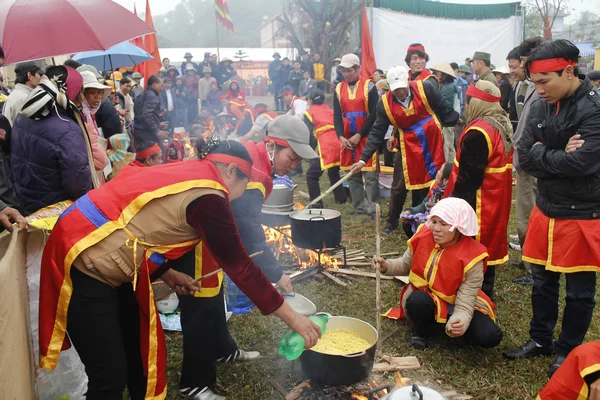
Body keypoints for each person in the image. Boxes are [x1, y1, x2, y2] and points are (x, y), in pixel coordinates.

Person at [38, 137, 322, 400]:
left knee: (138, 356)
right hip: (86, 259)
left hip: (110, 255)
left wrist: (167, 273)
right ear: (232, 171)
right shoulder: (210, 195)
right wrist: (293, 319)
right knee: (109, 375)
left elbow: (143, 224)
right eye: (242, 187)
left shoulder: (193, 169)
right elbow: (239, 265)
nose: (235, 198)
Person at [173, 117, 318, 400]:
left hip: (211, 237)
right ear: (272, 145)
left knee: (214, 295)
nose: (294, 165)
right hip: (196, 236)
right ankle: (194, 381)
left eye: (298, 160)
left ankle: (223, 349)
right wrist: (276, 274)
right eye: (292, 156)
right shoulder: (253, 171)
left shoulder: (254, 153)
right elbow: (248, 231)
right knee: (200, 307)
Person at [503, 39, 600, 378]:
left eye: (544, 81)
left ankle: (567, 349)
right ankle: (540, 339)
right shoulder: (544, 102)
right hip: (545, 207)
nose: (538, 90)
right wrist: (559, 152)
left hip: (582, 213)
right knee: (542, 281)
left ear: (569, 70)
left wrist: (546, 152)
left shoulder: (594, 108)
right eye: (534, 82)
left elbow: (585, 163)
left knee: (579, 290)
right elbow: (525, 154)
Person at [374, 197, 503, 351]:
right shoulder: (422, 236)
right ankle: (421, 331)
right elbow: (404, 264)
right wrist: (386, 266)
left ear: (458, 227)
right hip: (427, 298)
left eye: (444, 224)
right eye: (434, 222)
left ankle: (454, 329)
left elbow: (466, 299)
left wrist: (459, 320)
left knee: (490, 335)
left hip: (456, 302)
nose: (436, 228)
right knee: (417, 301)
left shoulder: (472, 256)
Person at [353, 65, 458, 233]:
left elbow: (444, 110)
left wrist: (457, 121)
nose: (400, 92)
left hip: (431, 140)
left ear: (408, 81)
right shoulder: (384, 104)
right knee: (399, 184)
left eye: (402, 88)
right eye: (396, 90)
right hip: (407, 143)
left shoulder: (426, 89)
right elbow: (376, 133)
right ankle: (392, 221)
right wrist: (362, 159)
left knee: (431, 181)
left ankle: (421, 218)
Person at [443, 80, 513, 299]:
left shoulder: (477, 132)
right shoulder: (499, 123)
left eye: (469, 100)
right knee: (489, 242)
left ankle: (475, 295)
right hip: (496, 196)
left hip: (479, 201)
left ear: (478, 102)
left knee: (472, 243)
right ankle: (484, 291)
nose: (466, 105)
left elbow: (468, 178)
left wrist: (452, 206)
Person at [11, 66, 97, 214]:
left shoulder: (23, 116)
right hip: (58, 211)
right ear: (72, 93)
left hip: (28, 204)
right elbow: (78, 183)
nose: (82, 97)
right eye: (80, 91)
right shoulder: (66, 128)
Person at [508, 37, 543, 286]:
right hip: (527, 160)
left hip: (531, 161)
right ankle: (529, 259)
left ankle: (533, 270)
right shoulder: (530, 86)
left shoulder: (539, 88)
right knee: (525, 212)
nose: (518, 67)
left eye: (520, 62)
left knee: (527, 214)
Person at [335, 53, 380, 217]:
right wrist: (340, 136)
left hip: (366, 136)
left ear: (357, 69)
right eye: (343, 71)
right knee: (352, 175)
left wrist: (360, 134)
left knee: (370, 176)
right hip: (347, 138)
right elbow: (337, 115)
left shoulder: (369, 86)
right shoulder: (339, 88)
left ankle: (373, 208)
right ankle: (360, 207)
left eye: (349, 71)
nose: (346, 74)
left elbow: (374, 114)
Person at [304, 90, 347, 206]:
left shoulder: (309, 112)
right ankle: (341, 198)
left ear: (310, 100)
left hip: (325, 145)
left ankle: (317, 203)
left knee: (311, 175)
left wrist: (309, 153)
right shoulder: (330, 110)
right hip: (338, 143)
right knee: (333, 172)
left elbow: (309, 135)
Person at [400, 162, 453, 238]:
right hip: (429, 217)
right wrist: (410, 211)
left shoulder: (451, 196)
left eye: (439, 171)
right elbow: (424, 205)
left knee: (424, 225)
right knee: (407, 223)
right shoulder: (435, 188)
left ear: (445, 180)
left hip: (440, 224)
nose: (437, 173)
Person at [79, 71, 111, 183]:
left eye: (99, 93)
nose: (97, 97)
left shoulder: (90, 114)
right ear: (82, 94)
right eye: (92, 93)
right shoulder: (80, 116)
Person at [431, 63, 459, 162]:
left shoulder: (448, 88)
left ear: (444, 75)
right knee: (450, 145)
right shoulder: (447, 86)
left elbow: (446, 105)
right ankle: (451, 168)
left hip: (447, 119)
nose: (436, 75)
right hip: (449, 119)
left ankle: (445, 167)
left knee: (446, 144)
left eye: (437, 73)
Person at [3, 61, 42, 126]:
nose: (40, 78)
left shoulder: (18, 94)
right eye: (39, 74)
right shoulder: (23, 98)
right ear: (30, 75)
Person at [133, 75, 169, 145]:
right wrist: (156, 131)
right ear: (154, 84)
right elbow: (146, 115)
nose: (162, 89)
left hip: (141, 130)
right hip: (146, 133)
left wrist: (158, 124)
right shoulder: (151, 96)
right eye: (161, 86)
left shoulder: (145, 93)